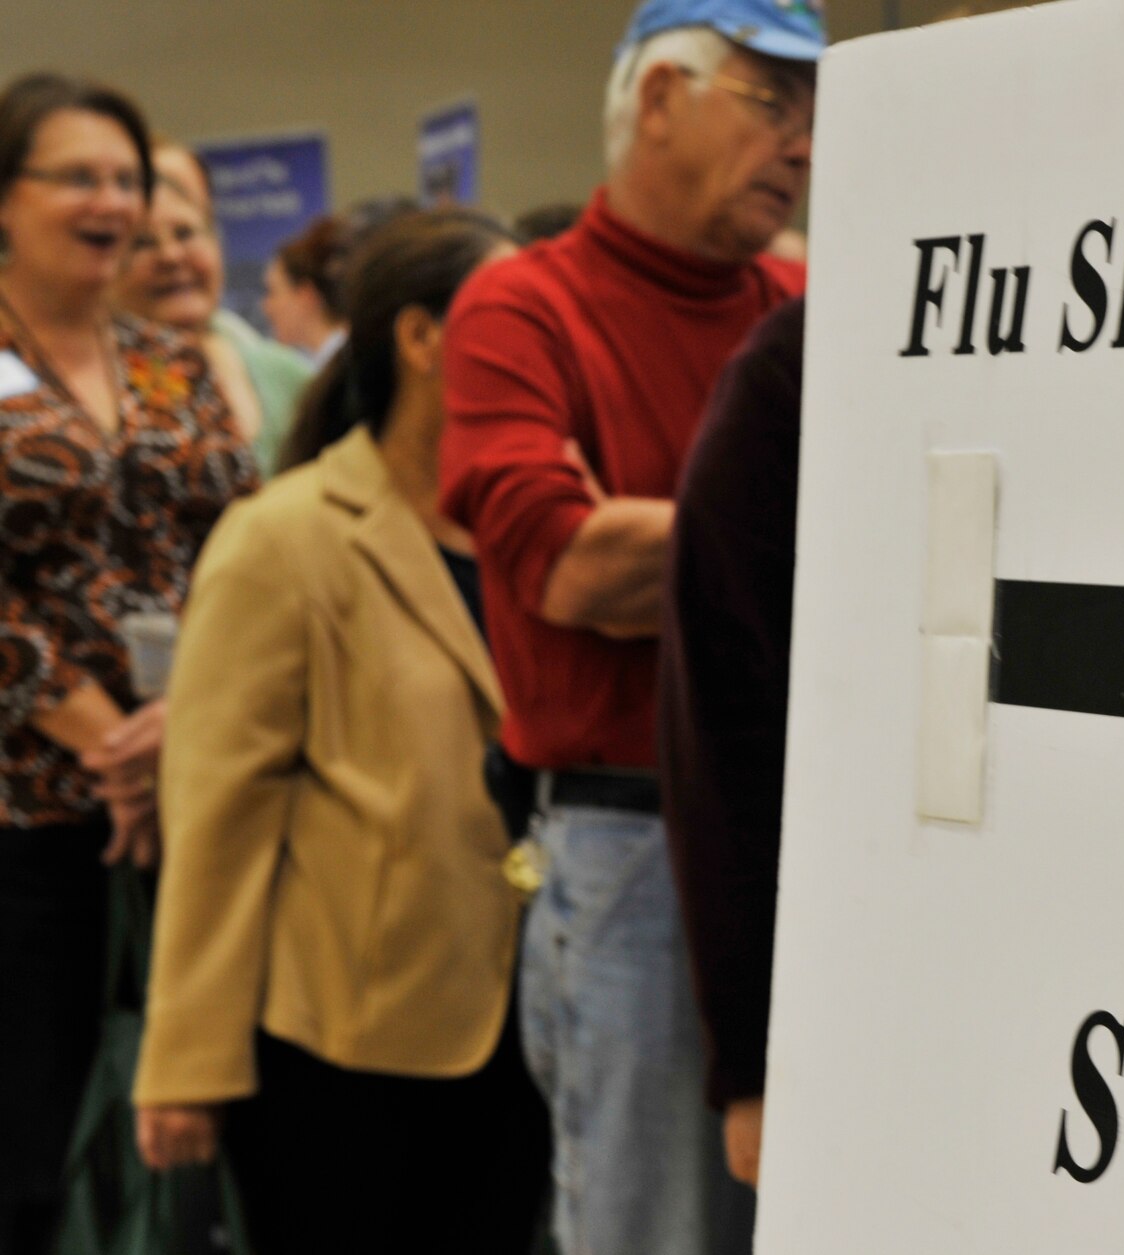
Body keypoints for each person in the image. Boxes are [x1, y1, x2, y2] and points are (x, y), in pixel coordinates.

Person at [437, 0, 818, 1249]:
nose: (806, 144)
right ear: (657, 96)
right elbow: (568, 570)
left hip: (802, 830)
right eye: (773, 102)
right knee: (651, 1227)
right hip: (633, 846)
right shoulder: (521, 308)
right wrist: (790, 522)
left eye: (819, 111)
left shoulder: (815, 301)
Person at [130, 210, 550, 1255]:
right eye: (514, 318)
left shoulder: (537, 523)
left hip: (528, 1022)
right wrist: (188, 1064)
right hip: (343, 1047)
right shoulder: (283, 537)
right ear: (421, 338)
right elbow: (218, 819)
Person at [0, 71, 257, 1254]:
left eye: (129, 179)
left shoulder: (172, 360)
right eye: (81, 177)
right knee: (27, 1145)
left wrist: (182, 721)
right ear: (7, 196)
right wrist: (103, 735)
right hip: (30, 810)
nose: (115, 202)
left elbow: (243, 544)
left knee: (182, 1151)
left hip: (192, 785)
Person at [657, 296, 804, 1191]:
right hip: (815, 950)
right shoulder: (795, 364)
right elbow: (727, 718)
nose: (791, 145)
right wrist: (749, 1059)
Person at [112, 151, 313, 473]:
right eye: (142, 243)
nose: (171, 256)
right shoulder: (93, 389)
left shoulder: (289, 377)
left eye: (185, 233)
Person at [263, 213, 347, 366]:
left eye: (272, 292)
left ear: (306, 296)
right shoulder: (321, 365)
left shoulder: (342, 368)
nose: (266, 307)